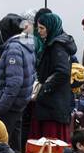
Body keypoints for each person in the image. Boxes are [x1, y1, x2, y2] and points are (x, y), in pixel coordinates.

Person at [0, 12, 35, 153]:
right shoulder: (26, 45)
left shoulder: (14, 48)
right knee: (14, 146)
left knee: (0, 147)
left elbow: (14, 81)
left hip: (9, 106)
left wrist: (2, 106)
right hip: (19, 104)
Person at [30, 11, 76, 143]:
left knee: (50, 146)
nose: (39, 31)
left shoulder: (56, 46)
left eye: (42, 28)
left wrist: (43, 89)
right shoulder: (56, 43)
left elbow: (62, 71)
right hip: (55, 104)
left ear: (50, 27)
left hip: (52, 106)